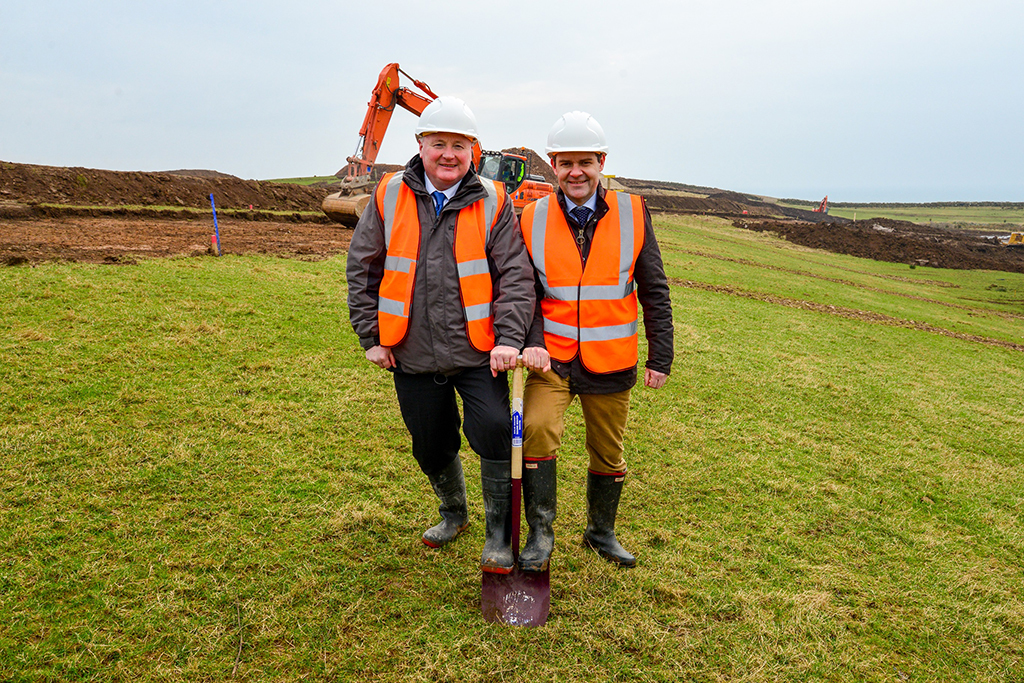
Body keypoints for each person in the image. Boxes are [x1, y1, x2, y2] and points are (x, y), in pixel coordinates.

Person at [346, 96, 535, 574]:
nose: (448, 154)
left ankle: (498, 533)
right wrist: (371, 336)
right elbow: (362, 267)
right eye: (438, 144)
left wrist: (509, 340)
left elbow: (515, 275)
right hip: (409, 351)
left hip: (478, 351)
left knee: (495, 431)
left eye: (459, 144)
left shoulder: (495, 200)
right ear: (420, 145)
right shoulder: (388, 194)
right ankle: (453, 513)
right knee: (430, 443)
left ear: (473, 149)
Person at [518, 111, 674, 570]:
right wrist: (530, 341)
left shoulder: (633, 211)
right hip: (553, 358)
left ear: (601, 161)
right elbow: (523, 291)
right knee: (537, 432)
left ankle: (600, 532)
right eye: (565, 163)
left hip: (612, 360)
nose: (575, 172)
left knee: (608, 450)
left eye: (585, 161)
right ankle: (540, 536)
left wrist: (660, 355)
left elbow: (654, 288)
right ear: (552, 165)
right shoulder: (531, 216)